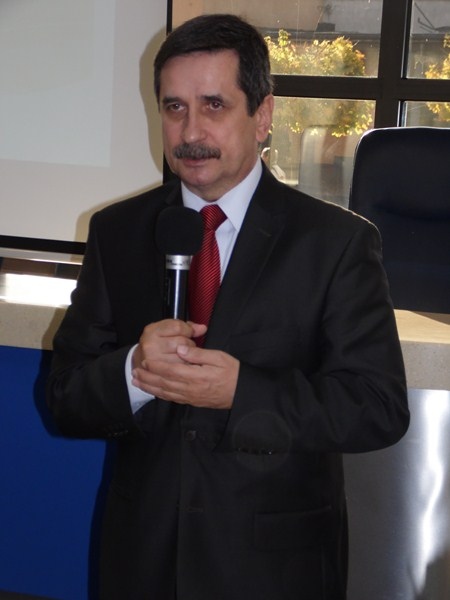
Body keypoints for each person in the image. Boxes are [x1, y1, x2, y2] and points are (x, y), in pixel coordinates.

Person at [47, 13, 410, 600]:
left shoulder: (335, 243)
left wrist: (243, 392)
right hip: (143, 561)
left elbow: (377, 408)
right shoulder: (118, 232)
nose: (190, 131)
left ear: (262, 115)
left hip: (275, 569)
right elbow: (64, 398)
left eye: (213, 105)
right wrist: (135, 371)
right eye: (174, 107)